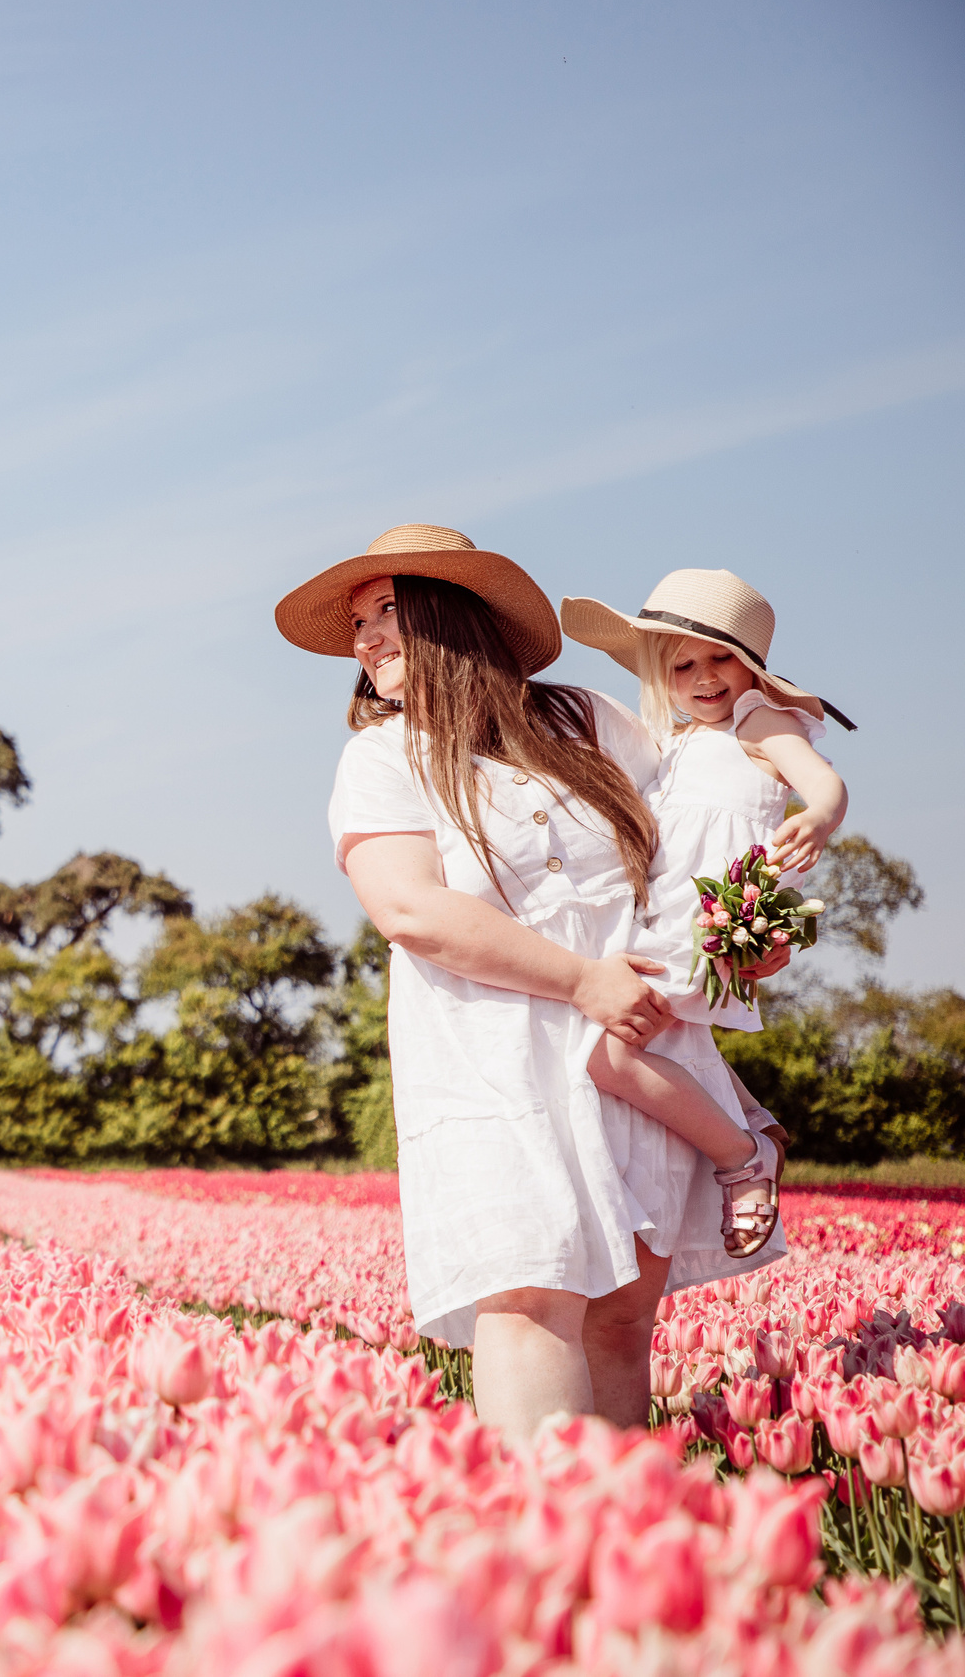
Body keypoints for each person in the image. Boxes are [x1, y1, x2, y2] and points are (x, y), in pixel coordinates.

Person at [273, 525, 787, 1445]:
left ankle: (618, 1525)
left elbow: (701, 828)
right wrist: (582, 979)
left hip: (635, 1052)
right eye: (357, 623)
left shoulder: (585, 720)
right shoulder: (383, 758)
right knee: (525, 1294)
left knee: (622, 1314)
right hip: (492, 1062)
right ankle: (540, 1524)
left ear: (454, 614)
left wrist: (745, 929)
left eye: (386, 610)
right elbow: (411, 910)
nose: (367, 639)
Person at [558, 569, 854, 1261]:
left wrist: (821, 816)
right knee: (665, 1040)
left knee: (607, 1054)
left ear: (751, 665)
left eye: (720, 657)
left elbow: (823, 781)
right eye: (682, 664)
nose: (704, 676)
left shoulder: (759, 721)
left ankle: (741, 1156)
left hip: (706, 923)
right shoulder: (674, 745)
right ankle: (753, 1119)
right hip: (657, 919)